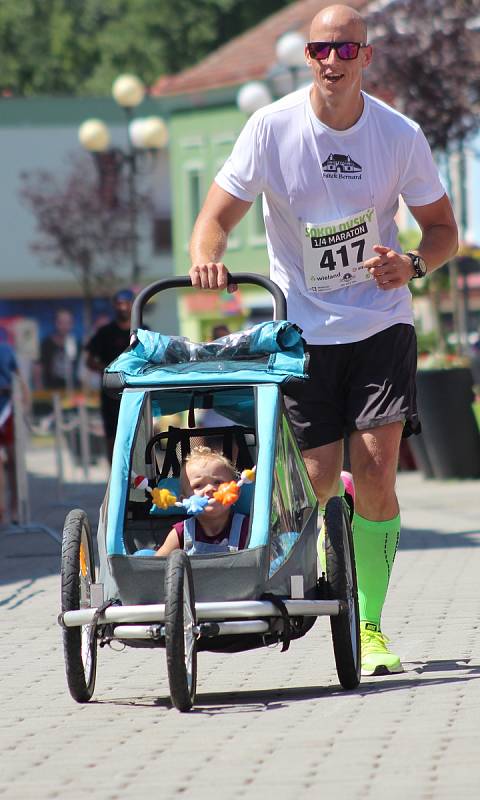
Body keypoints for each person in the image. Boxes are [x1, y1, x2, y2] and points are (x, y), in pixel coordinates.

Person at [186, 4, 458, 676]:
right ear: (305, 58)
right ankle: (325, 582)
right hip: (302, 329)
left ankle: (368, 624)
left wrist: (414, 264)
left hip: (380, 320)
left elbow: (443, 230)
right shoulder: (271, 128)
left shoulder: (399, 136)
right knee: (314, 480)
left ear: (367, 57)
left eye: (343, 50)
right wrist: (207, 257)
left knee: (375, 469)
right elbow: (215, 216)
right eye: (318, 51)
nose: (330, 61)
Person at [155, 447, 249, 556]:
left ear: (235, 492)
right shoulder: (181, 533)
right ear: (185, 501)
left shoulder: (247, 529)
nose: (209, 489)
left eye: (218, 482)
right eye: (198, 485)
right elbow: (156, 567)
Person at [85, 289, 135, 462]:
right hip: (111, 393)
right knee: (112, 436)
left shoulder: (142, 330)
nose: (123, 307)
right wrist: (110, 371)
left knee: (138, 434)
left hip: (137, 390)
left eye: (126, 303)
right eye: (119, 303)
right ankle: (114, 476)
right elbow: (89, 361)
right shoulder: (105, 332)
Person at [0, 329, 30, 525]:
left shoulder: (5, 349)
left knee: (13, 461)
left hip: (7, 409)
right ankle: (3, 510)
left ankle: (14, 509)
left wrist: (25, 405)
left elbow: (19, 379)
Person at [34, 308, 79, 391]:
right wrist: (40, 390)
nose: (65, 326)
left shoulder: (76, 344)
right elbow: (38, 368)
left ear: (72, 324)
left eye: (68, 323)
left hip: (72, 391)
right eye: (61, 323)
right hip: (51, 391)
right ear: (56, 323)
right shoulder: (46, 344)